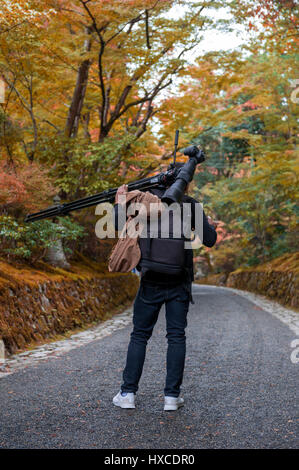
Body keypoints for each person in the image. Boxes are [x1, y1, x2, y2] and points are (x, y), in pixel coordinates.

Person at [112, 164, 218, 411]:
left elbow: (118, 225)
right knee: (176, 336)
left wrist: (120, 200)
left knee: (140, 335)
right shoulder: (190, 204)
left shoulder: (146, 201)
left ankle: (127, 394)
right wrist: (207, 224)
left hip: (150, 278)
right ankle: (171, 397)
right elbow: (210, 240)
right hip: (179, 280)